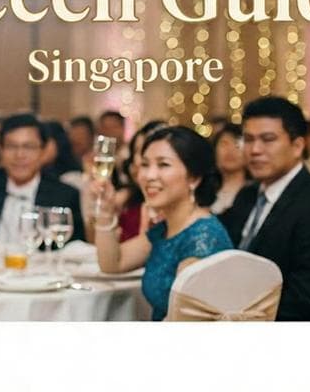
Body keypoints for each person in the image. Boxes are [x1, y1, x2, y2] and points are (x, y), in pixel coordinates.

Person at [219, 96, 310, 321]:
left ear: (297, 146)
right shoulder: (248, 195)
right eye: (248, 139)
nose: (255, 150)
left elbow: (307, 299)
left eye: (268, 139)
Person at [92, 125, 231, 321]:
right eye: (145, 164)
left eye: (163, 165)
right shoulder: (166, 229)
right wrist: (105, 210)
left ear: (194, 178)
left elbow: (187, 323)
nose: (149, 176)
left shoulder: (203, 237)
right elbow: (112, 263)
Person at [0, 114, 84, 244]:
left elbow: (74, 249)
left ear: (43, 151)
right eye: (12, 146)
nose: (19, 155)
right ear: (0, 150)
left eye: (28, 147)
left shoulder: (64, 196)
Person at [211, 123, 247, 213]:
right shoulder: (204, 192)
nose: (230, 150)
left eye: (237, 145)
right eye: (224, 144)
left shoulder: (256, 193)